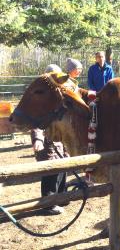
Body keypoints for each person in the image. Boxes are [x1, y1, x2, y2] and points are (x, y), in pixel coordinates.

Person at [31, 64, 69, 215]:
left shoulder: (59, 96)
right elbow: (36, 122)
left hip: (60, 140)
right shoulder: (40, 99)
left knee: (63, 168)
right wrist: (37, 139)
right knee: (50, 172)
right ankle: (48, 203)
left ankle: (61, 197)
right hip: (47, 142)